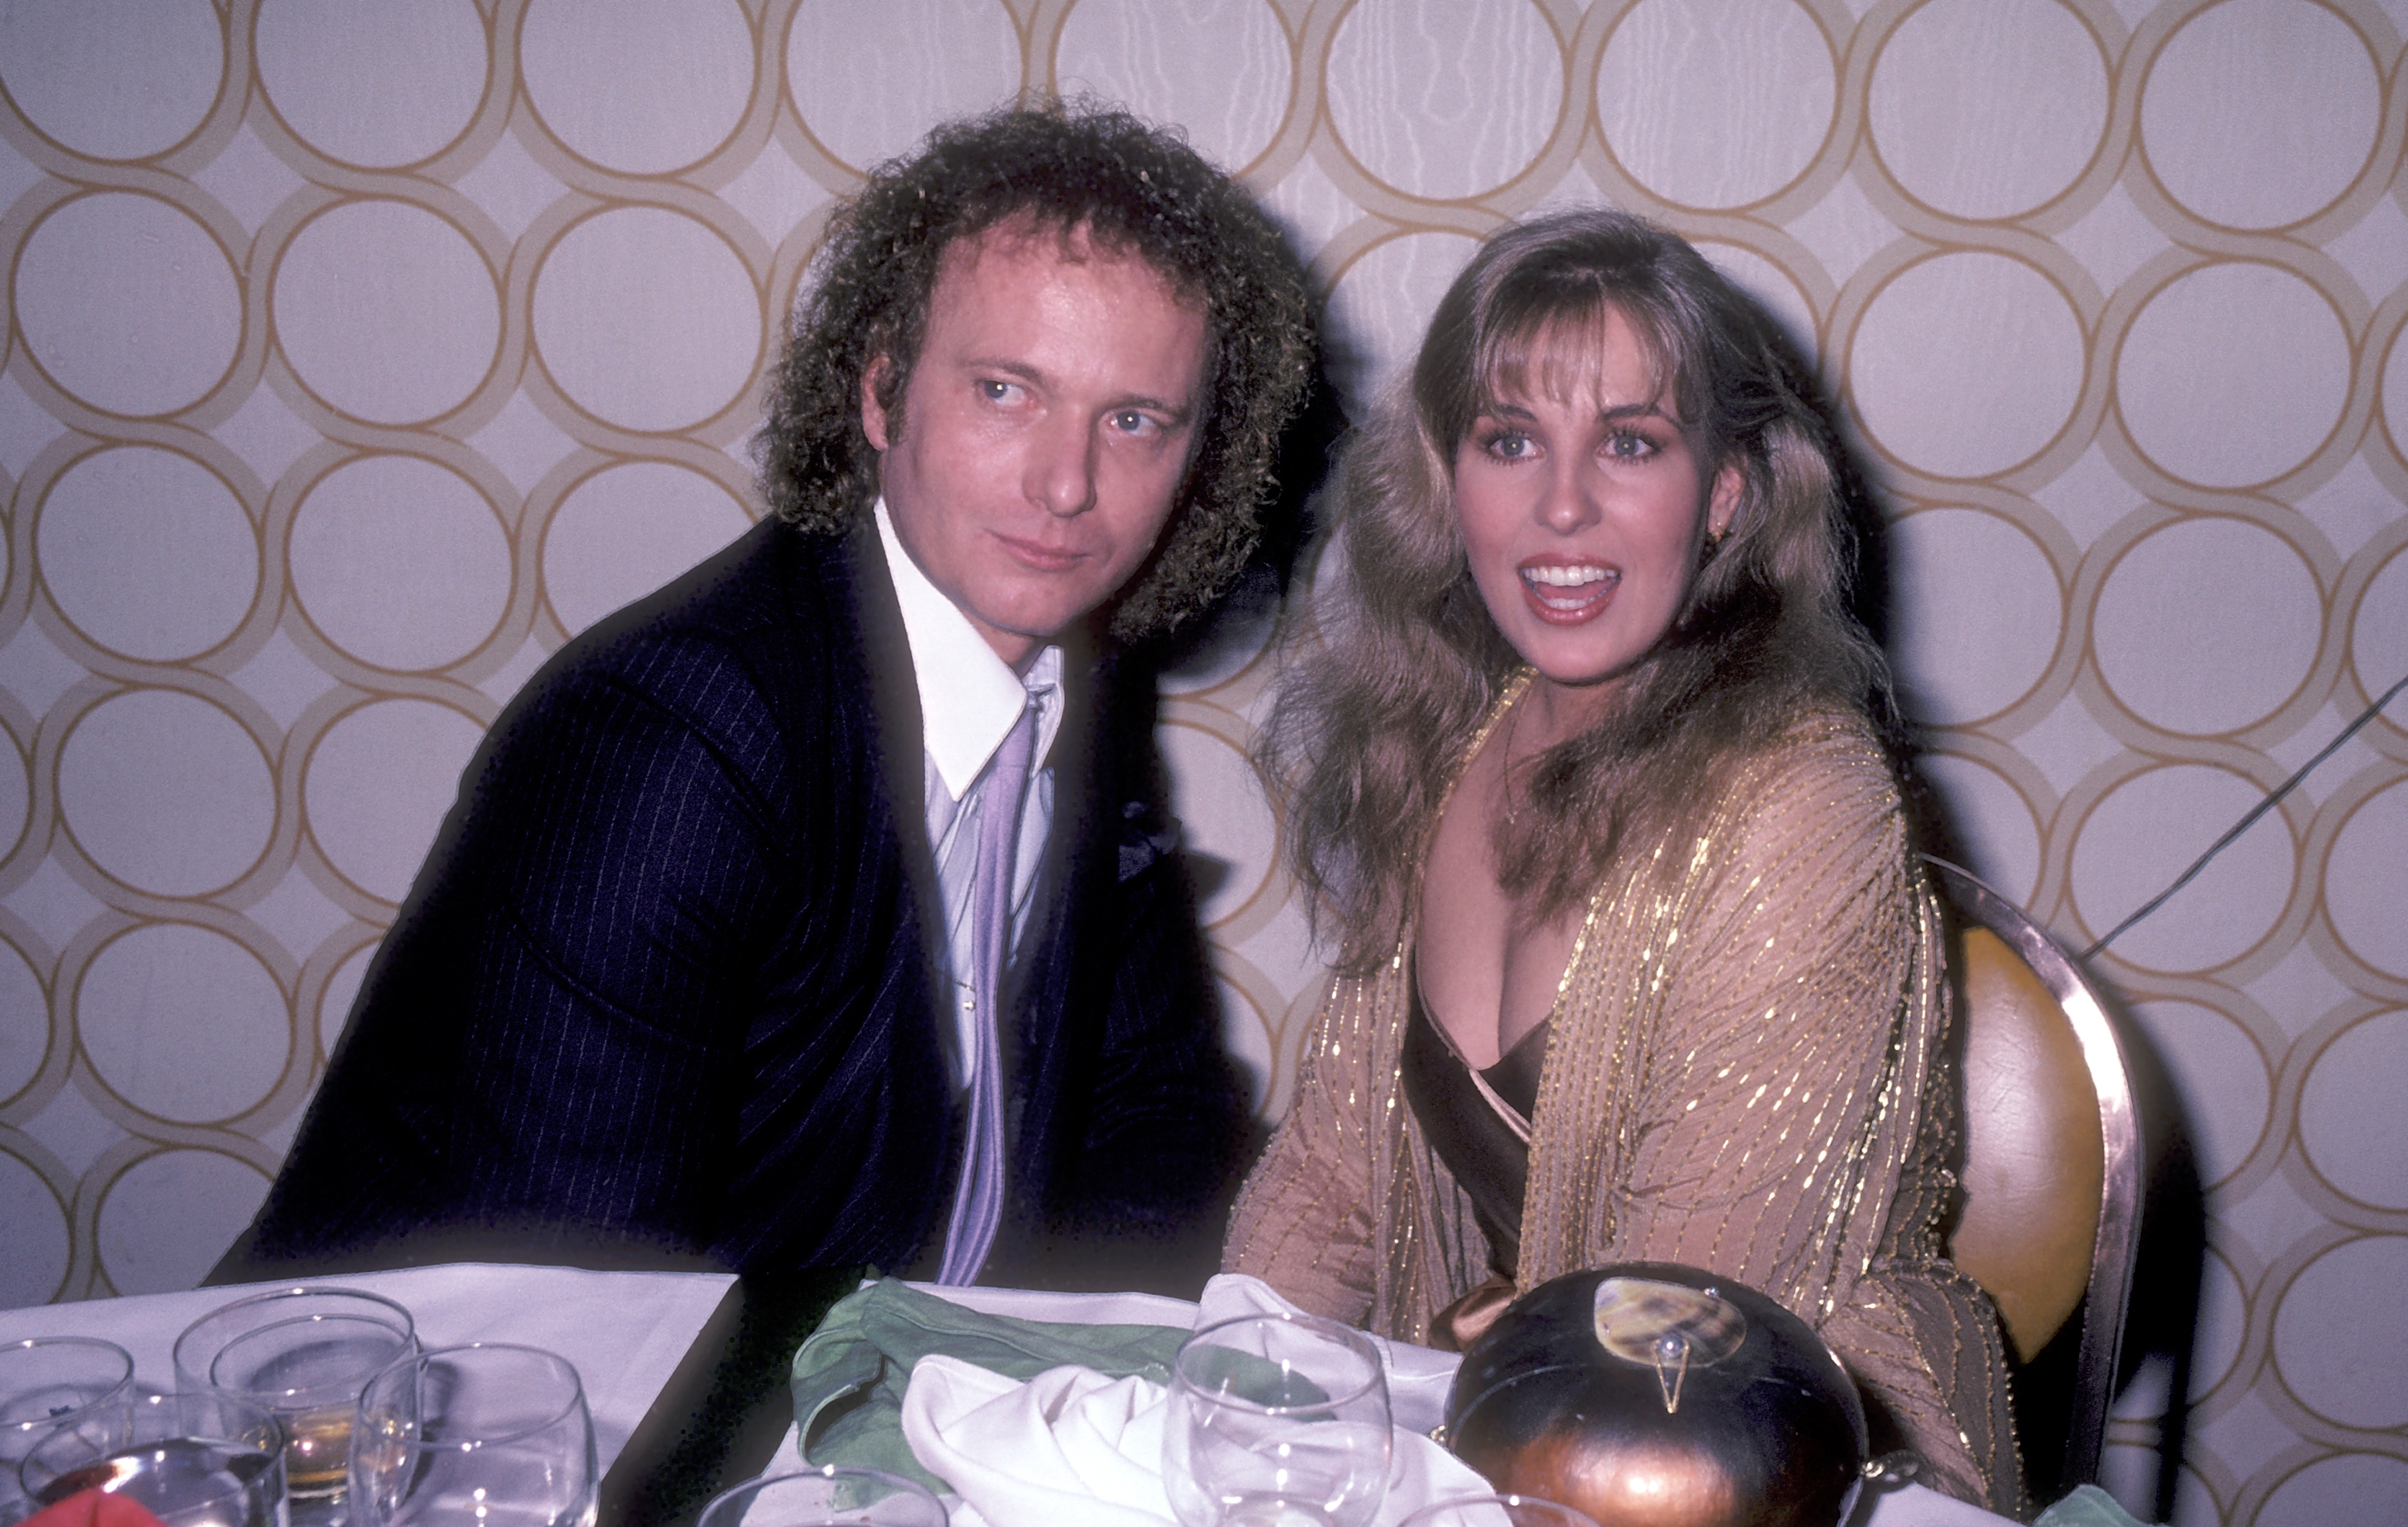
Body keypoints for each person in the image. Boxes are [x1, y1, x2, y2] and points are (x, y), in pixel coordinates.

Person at [217, 103, 1316, 1297]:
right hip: (398, 1443)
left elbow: (1150, 1113)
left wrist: (1034, 1397)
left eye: (1134, 420)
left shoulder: (1072, 682)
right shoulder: (674, 750)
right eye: (1006, 391)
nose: (1067, 484)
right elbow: (573, 1318)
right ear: (881, 394)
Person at [1222, 210, 2022, 1512]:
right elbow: (1327, 1182)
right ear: (1446, 479)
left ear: (1727, 490)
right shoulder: (1444, 741)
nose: (1562, 505)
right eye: (1509, 439)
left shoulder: (1807, 808)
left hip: (1771, 1467)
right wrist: (1225, 1400)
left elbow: (1675, 1359)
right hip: (1492, 1436)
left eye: (1631, 443)